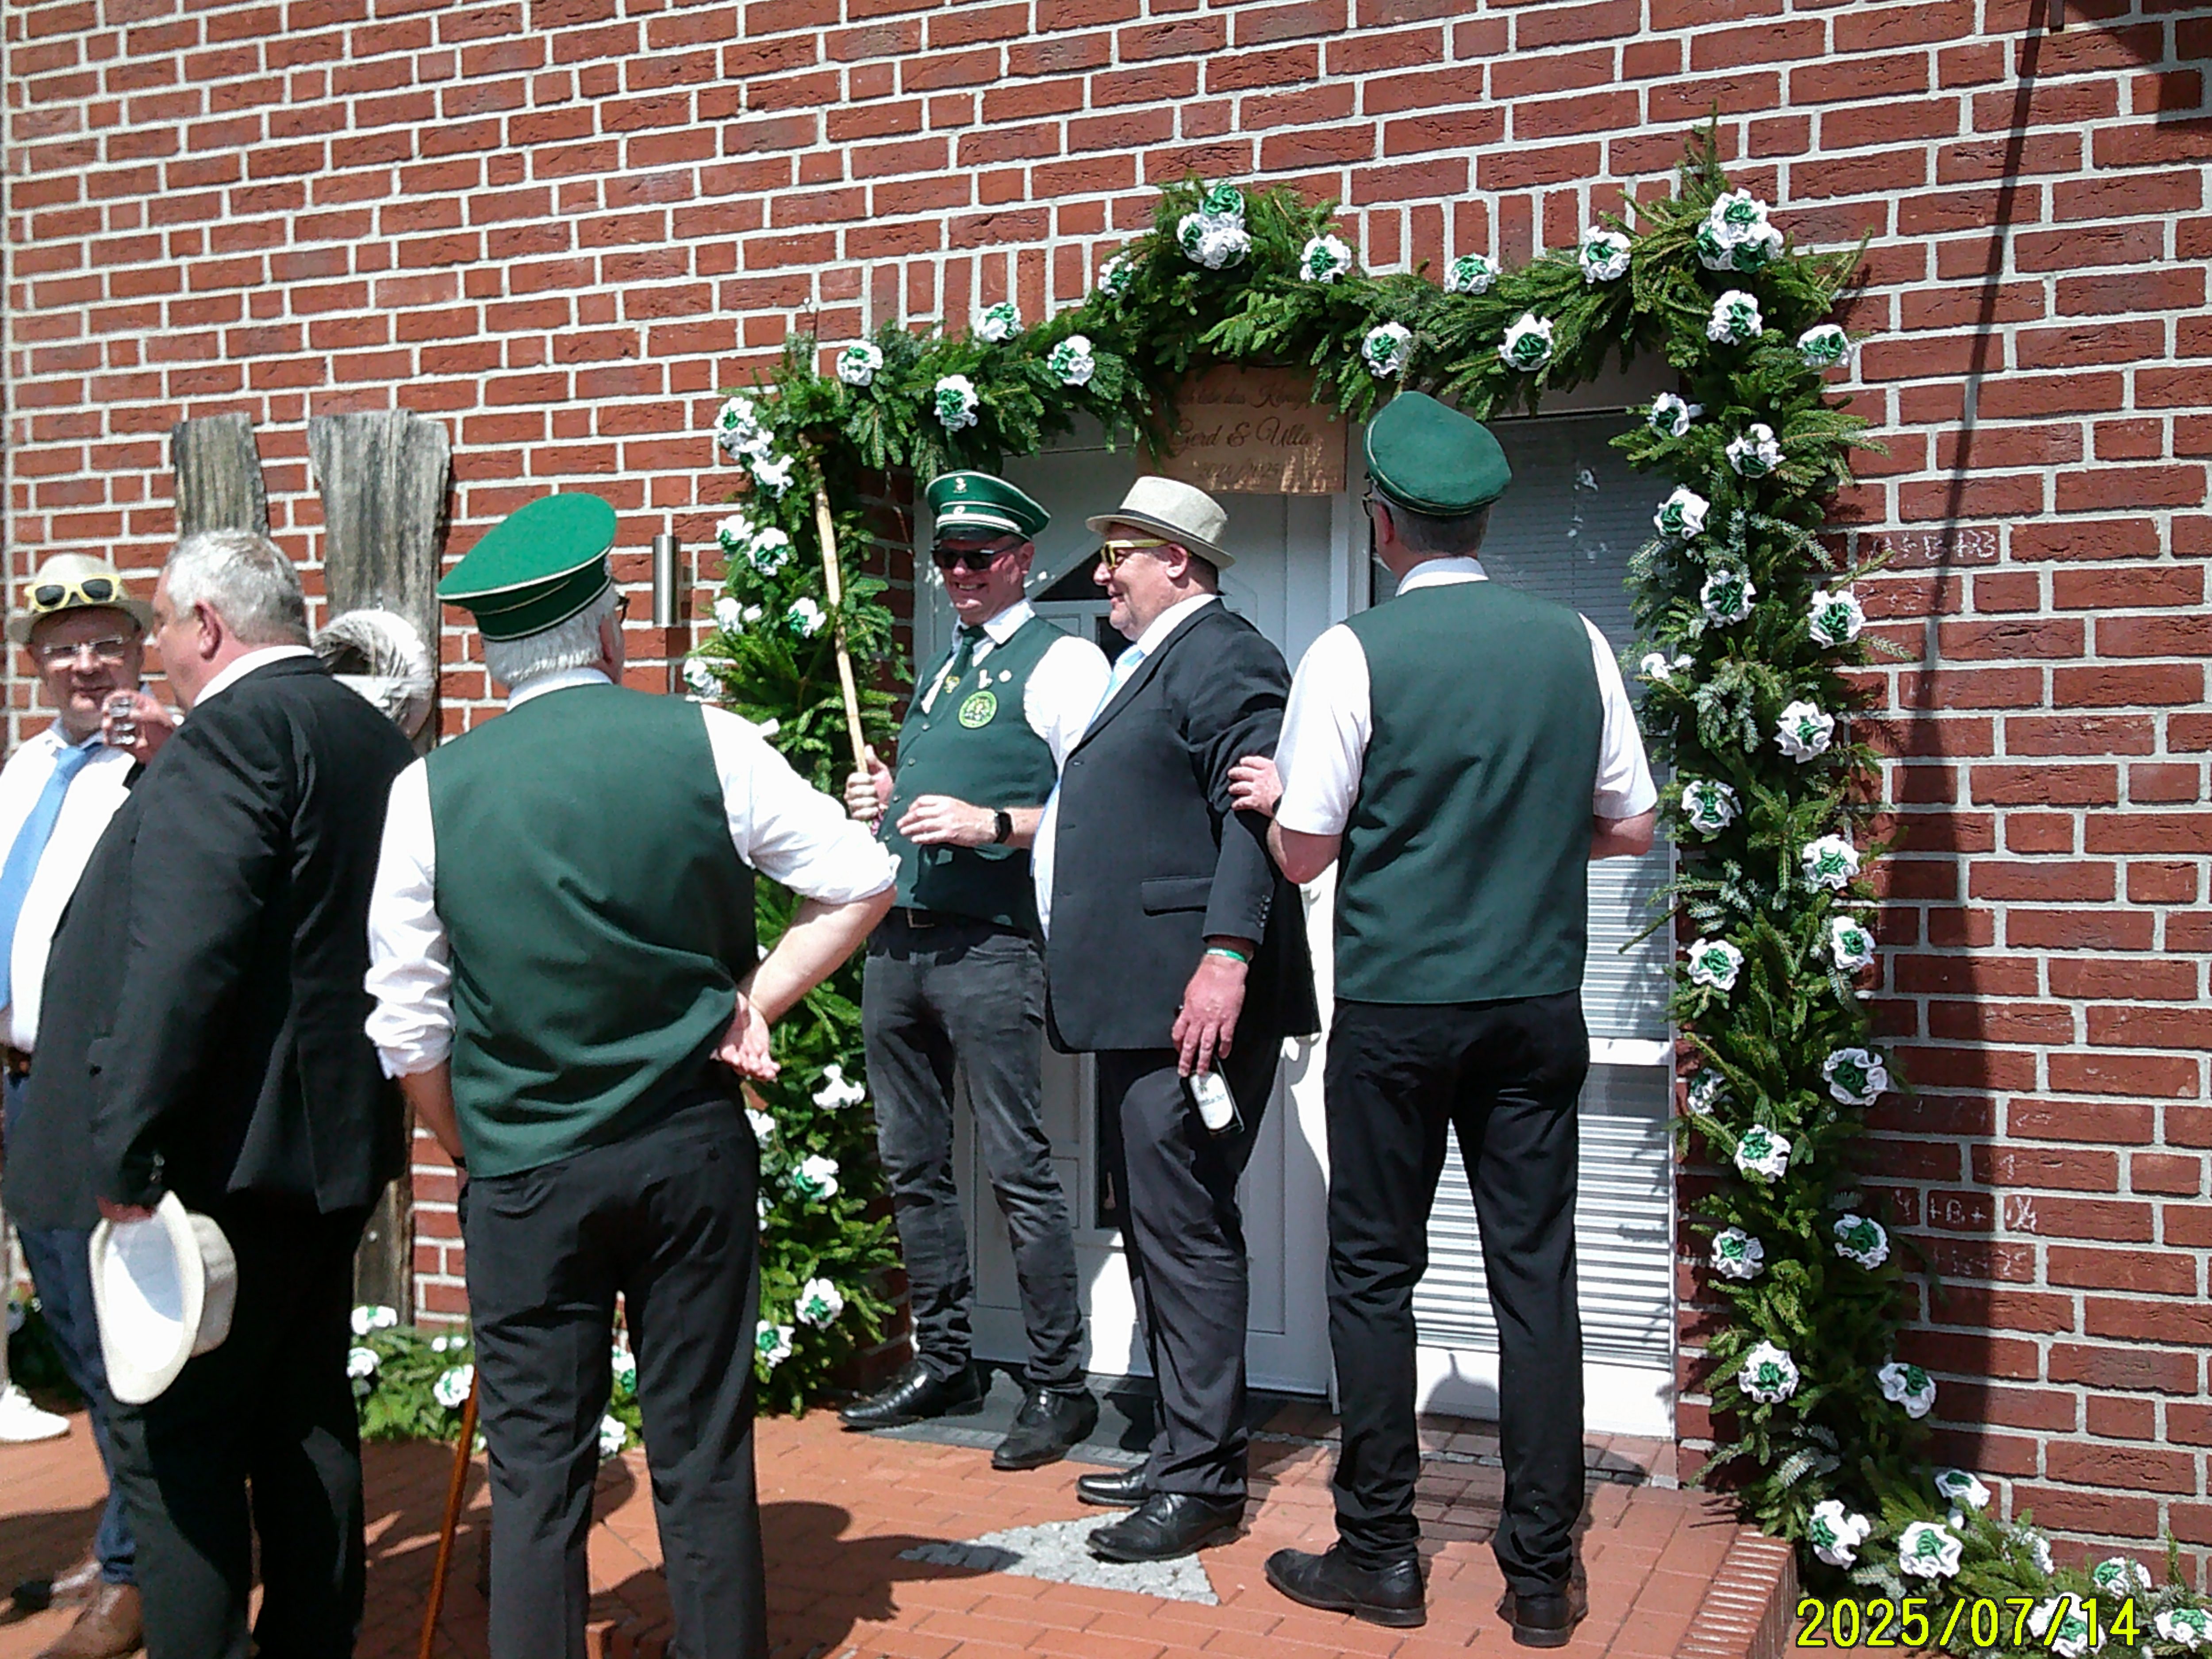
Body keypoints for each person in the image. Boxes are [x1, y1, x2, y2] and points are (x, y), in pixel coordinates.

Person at [365, 492, 896, 1659]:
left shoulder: (428, 791)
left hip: (523, 1168)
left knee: (538, 1474)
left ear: (494, 653)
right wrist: (750, 1000)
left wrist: (465, 1140)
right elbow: (862, 877)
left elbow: (406, 1027)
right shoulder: (707, 740)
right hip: (686, 1147)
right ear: (606, 628)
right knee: (702, 1451)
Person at [1234, 392, 1658, 1643]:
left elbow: (1303, 854)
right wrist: (1521, 844)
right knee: (1536, 1277)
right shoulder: (1574, 640)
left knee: (1374, 1274)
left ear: (1382, 521)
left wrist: (1278, 799)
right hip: (1534, 1003)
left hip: (1402, 1009)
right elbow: (1633, 825)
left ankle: (1381, 1555)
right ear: (1480, 520)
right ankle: (1541, 1575)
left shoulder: (1350, 652)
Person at [8, 529, 416, 1659]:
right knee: (304, 1422)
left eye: (162, 627)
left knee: (174, 1449)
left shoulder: (232, 735)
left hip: (216, 1162)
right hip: (324, 1151)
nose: (160, 654)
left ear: (207, 625)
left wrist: (127, 1145)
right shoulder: (366, 735)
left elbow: (186, 960)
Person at [1037, 476, 1317, 1564]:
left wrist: (1225, 957)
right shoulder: (1153, 660)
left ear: (1179, 563)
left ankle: (1203, 1482)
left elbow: (1247, 817)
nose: (1103, 575)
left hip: (1191, 1006)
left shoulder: (1226, 657)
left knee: (1188, 1231)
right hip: (1140, 1004)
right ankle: (1178, 1449)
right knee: (1159, 1229)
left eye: (1120, 556)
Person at [838, 472, 1110, 1469]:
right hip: (899, 942)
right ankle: (945, 1360)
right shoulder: (945, 666)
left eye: (978, 558)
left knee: (1016, 1167)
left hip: (988, 947)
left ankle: (1059, 1384)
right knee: (913, 1164)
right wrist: (885, 797)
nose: (959, 574)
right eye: (946, 558)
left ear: (1021, 561)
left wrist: (990, 824)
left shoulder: (1063, 662)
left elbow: (1099, 810)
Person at [0, 554, 173, 1659]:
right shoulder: (25, 768)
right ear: (34, 664)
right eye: (62, 650)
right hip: (21, 1083)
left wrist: (168, 749)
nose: (86, 665)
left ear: (140, 651)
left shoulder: (154, 765)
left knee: (120, 1338)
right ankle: (123, 1535)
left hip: (95, 1090)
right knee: (66, 1321)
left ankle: (142, 1571)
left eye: (107, 643)